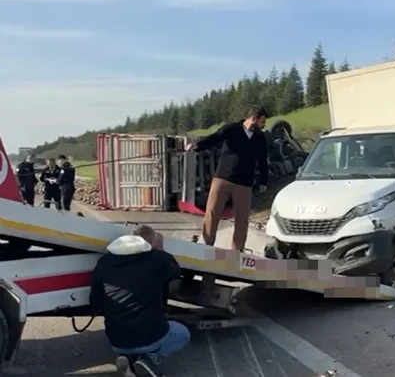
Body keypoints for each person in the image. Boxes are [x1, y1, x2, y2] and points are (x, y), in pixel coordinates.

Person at [90, 224, 189, 377]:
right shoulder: (156, 259)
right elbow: (176, 271)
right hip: (150, 335)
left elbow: (95, 302)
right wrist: (160, 250)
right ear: (149, 243)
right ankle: (148, 360)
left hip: (116, 340)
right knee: (182, 334)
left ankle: (127, 357)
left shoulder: (104, 263)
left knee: (131, 335)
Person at [185, 106, 273, 254]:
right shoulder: (232, 129)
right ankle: (206, 245)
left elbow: (263, 159)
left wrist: (264, 181)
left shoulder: (260, 137)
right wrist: (197, 146)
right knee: (212, 212)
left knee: (242, 219)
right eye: (262, 122)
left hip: (244, 183)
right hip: (223, 178)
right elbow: (215, 137)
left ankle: (237, 251)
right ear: (253, 118)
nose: (263, 125)